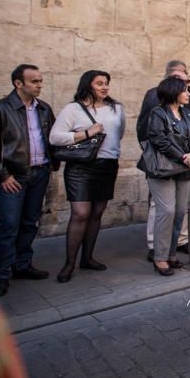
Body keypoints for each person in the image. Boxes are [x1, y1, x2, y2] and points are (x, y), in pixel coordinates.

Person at [0, 64, 56, 297]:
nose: (39, 85)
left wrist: (52, 165)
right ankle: (1, 275)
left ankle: (22, 265)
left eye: (41, 81)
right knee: (8, 226)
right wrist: (3, 175)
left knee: (30, 222)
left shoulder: (44, 109)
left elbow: (50, 138)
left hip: (39, 173)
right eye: (34, 81)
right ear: (18, 84)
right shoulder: (0, 109)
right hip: (13, 177)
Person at [48, 70, 126, 282]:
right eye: (99, 83)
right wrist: (86, 133)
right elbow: (55, 137)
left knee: (97, 213)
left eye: (106, 83)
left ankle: (87, 258)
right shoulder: (73, 109)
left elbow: (118, 134)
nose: (104, 87)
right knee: (80, 213)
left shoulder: (116, 108)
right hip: (81, 167)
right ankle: (69, 264)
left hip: (108, 165)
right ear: (87, 85)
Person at [139, 61, 190, 260]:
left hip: (185, 168)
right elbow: (157, 138)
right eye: (184, 88)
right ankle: (159, 254)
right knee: (165, 210)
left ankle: (171, 252)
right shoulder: (157, 109)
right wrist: (183, 156)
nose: (189, 92)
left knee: (180, 211)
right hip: (165, 168)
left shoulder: (188, 112)